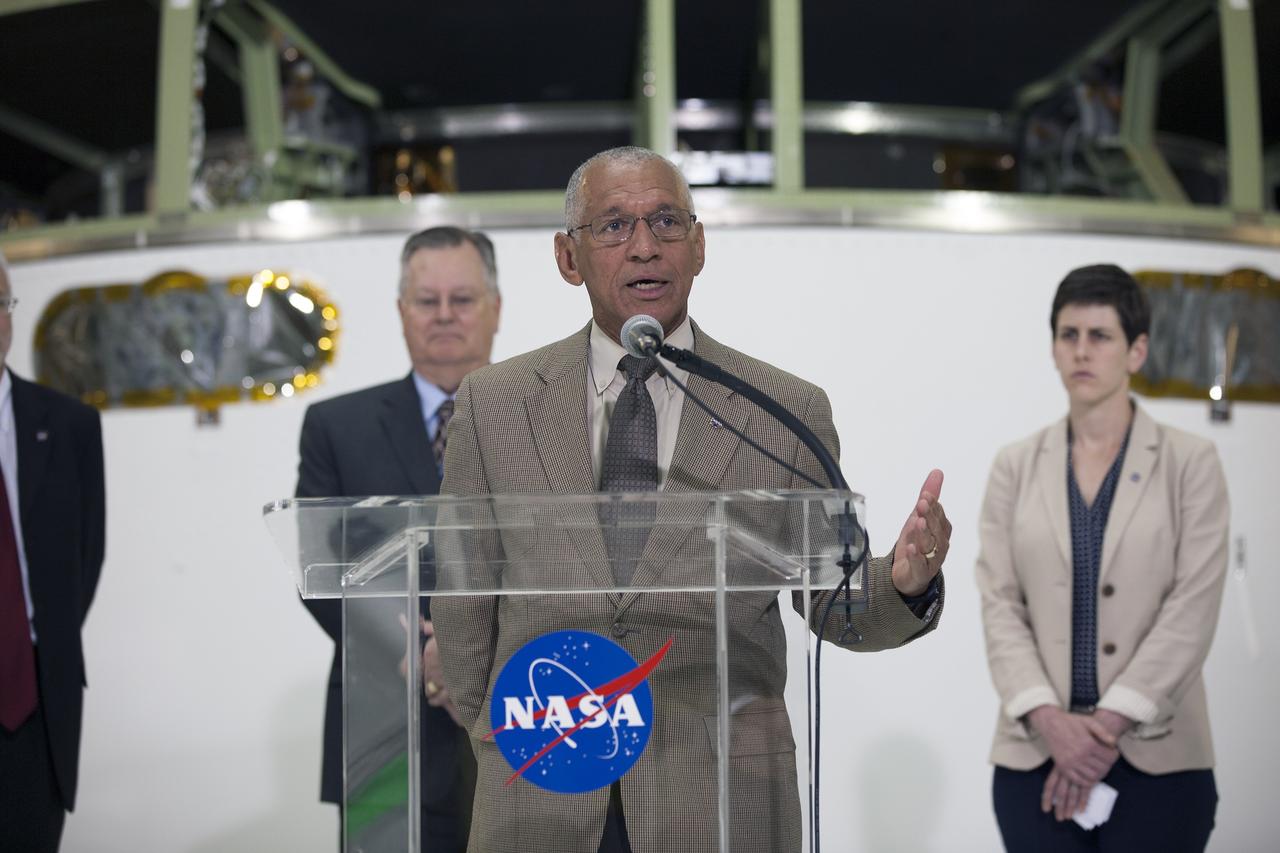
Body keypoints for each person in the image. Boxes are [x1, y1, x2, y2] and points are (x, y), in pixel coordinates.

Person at [430, 146, 950, 853]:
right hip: (542, 787)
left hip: (717, 798)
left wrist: (904, 579)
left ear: (699, 245)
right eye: (613, 225)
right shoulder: (496, 404)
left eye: (666, 221)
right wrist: (496, 732)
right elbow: (462, 603)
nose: (645, 246)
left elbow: (833, 601)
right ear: (568, 257)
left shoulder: (780, 408)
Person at [976, 264, 1228, 852]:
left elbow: (1193, 608)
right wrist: (1052, 724)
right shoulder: (1015, 466)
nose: (1081, 352)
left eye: (1100, 336)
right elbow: (999, 605)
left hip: (1160, 760)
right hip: (1035, 754)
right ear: (1053, 348)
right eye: (1069, 335)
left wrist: (1106, 726)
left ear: (1136, 351)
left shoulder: (1191, 462)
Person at [294, 226, 502, 852]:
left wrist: (467, 653)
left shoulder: (548, 420)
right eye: (426, 300)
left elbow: (572, 559)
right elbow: (317, 568)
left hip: (516, 711)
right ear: (400, 311)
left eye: (462, 299)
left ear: (495, 308)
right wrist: (419, 650)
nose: (444, 315)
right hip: (382, 720)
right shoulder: (337, 426)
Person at [0, 251, 106, 853]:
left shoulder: (68, 426)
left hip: (34, 704)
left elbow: (85, 558)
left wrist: (32, 644)